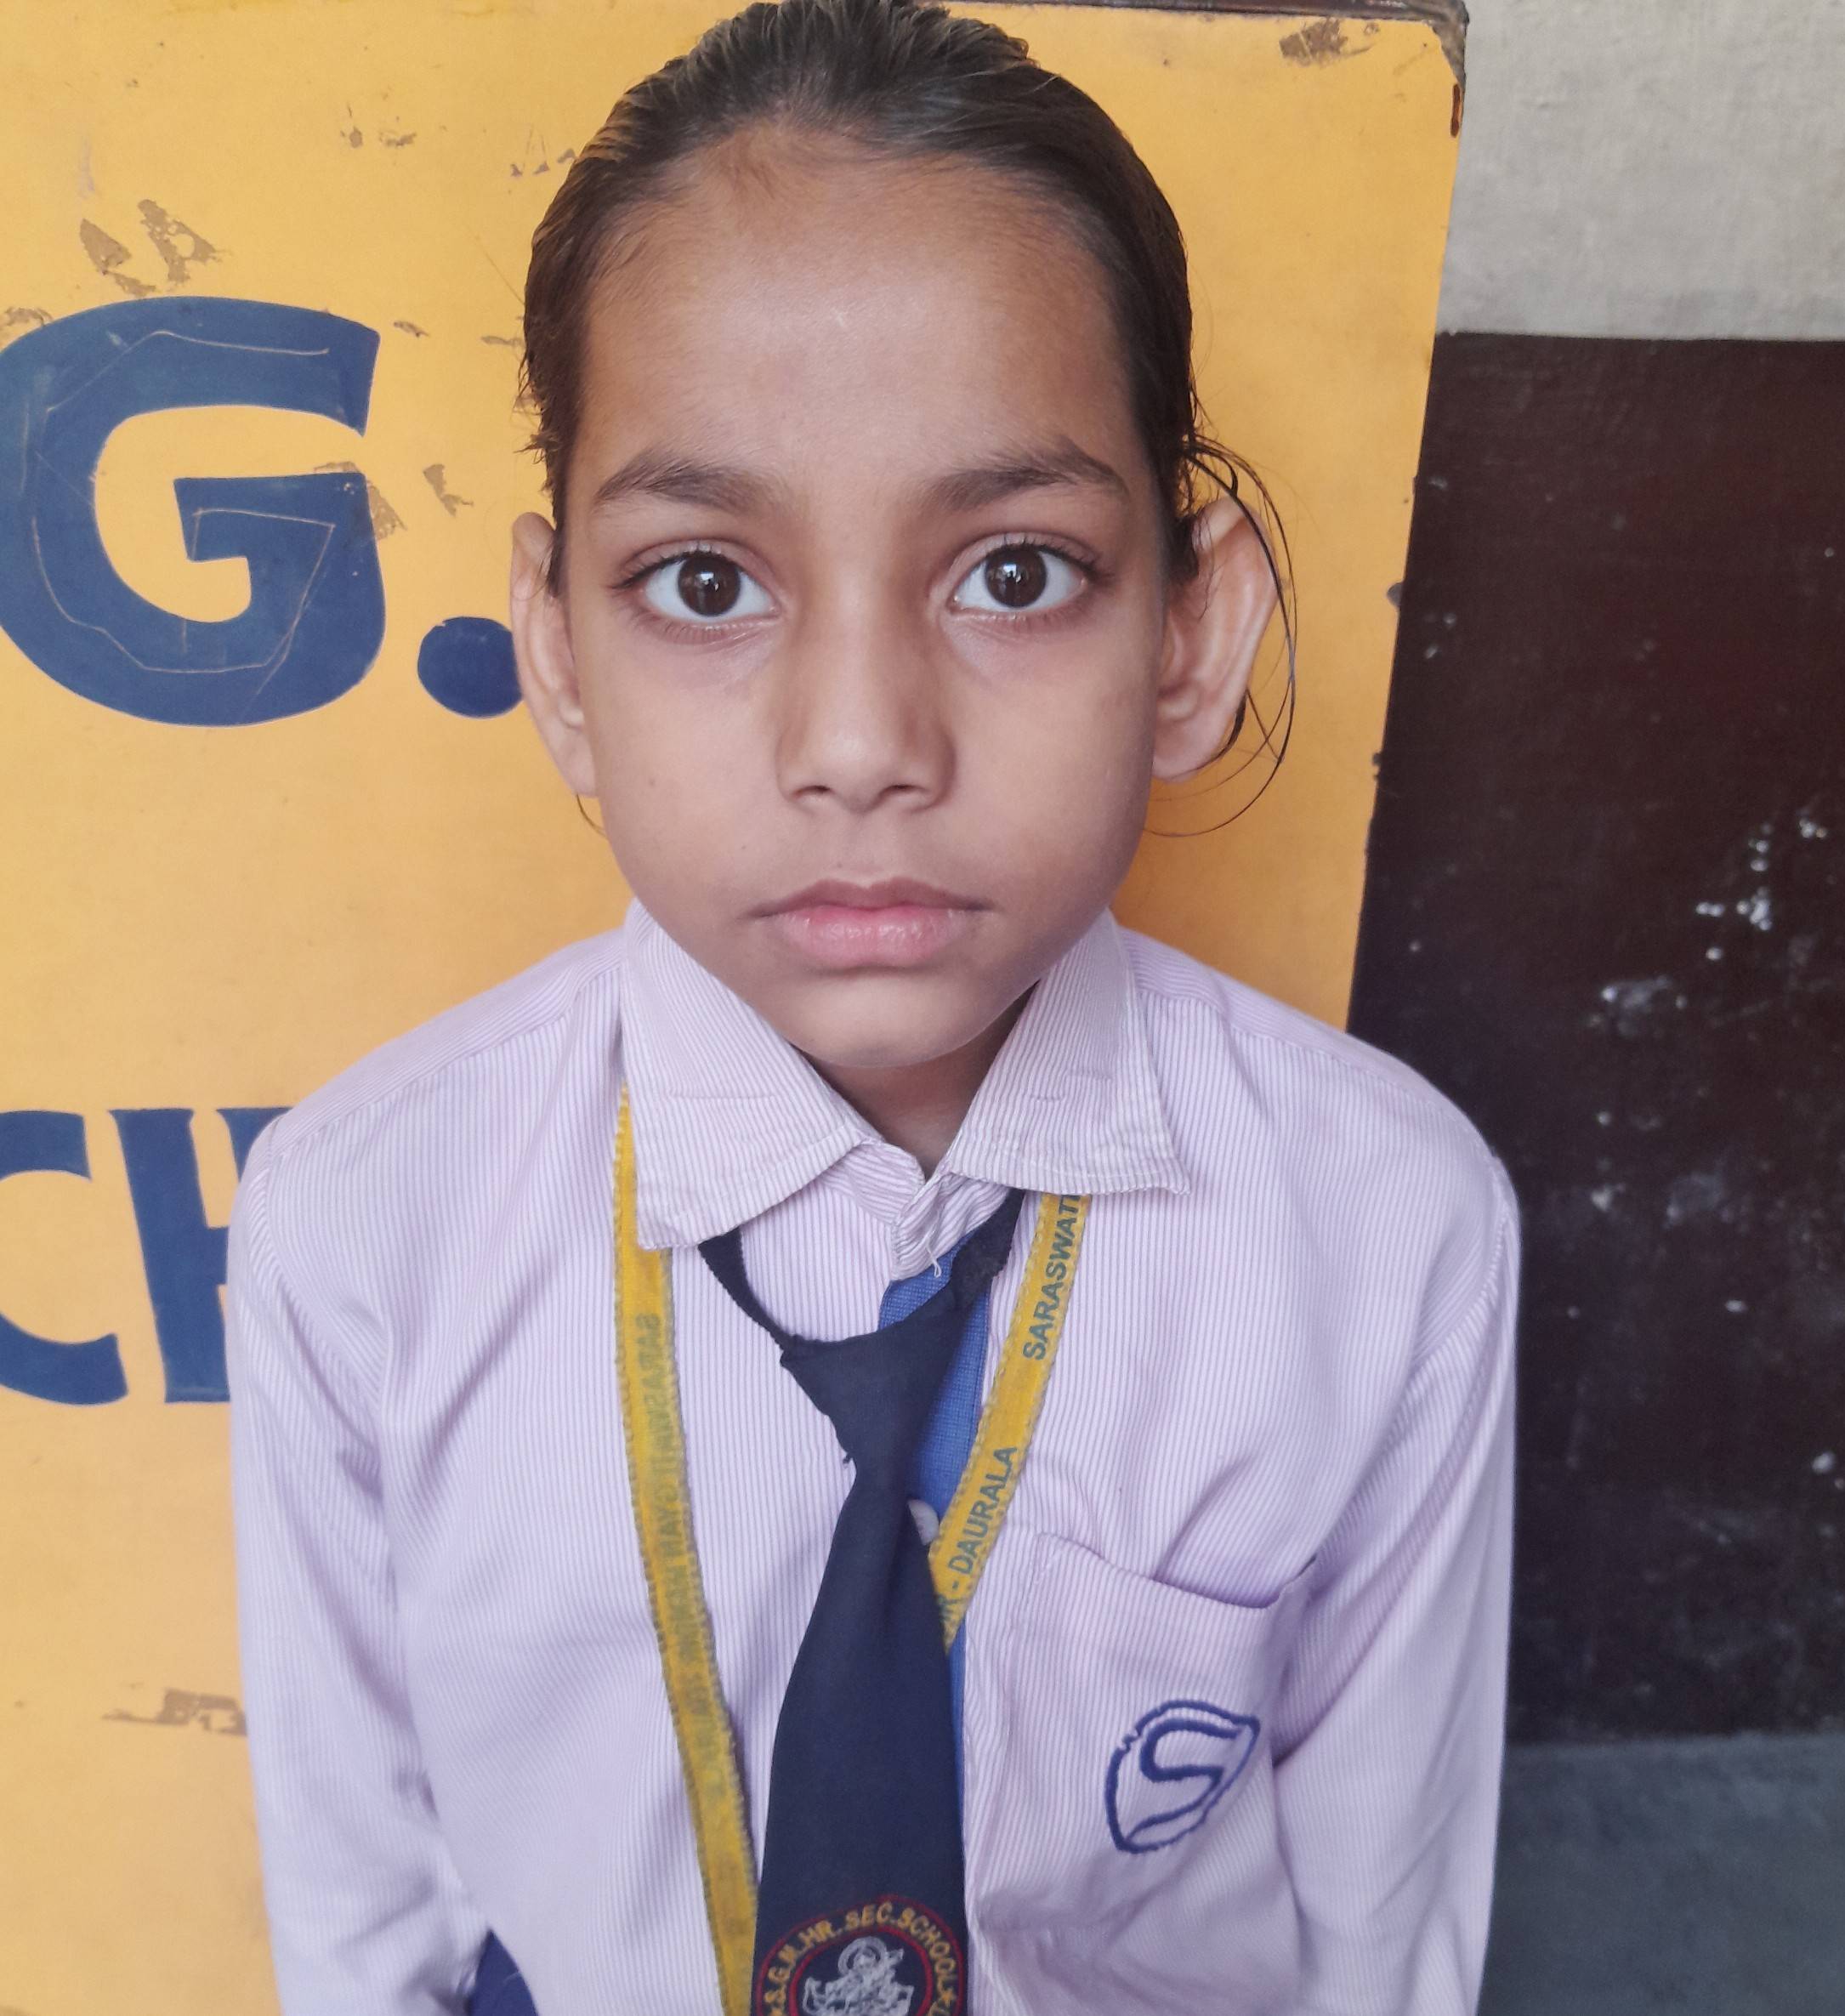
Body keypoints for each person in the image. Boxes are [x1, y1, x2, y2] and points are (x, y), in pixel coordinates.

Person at [224, 1, 1521, 2011]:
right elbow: (362, 1919)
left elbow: (1384, 1940)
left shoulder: (1385, 1225)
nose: (858, 743)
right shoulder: (363, 1225)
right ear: (555, 661)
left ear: (1193, 637)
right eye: (704, 583)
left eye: (1013, 573)